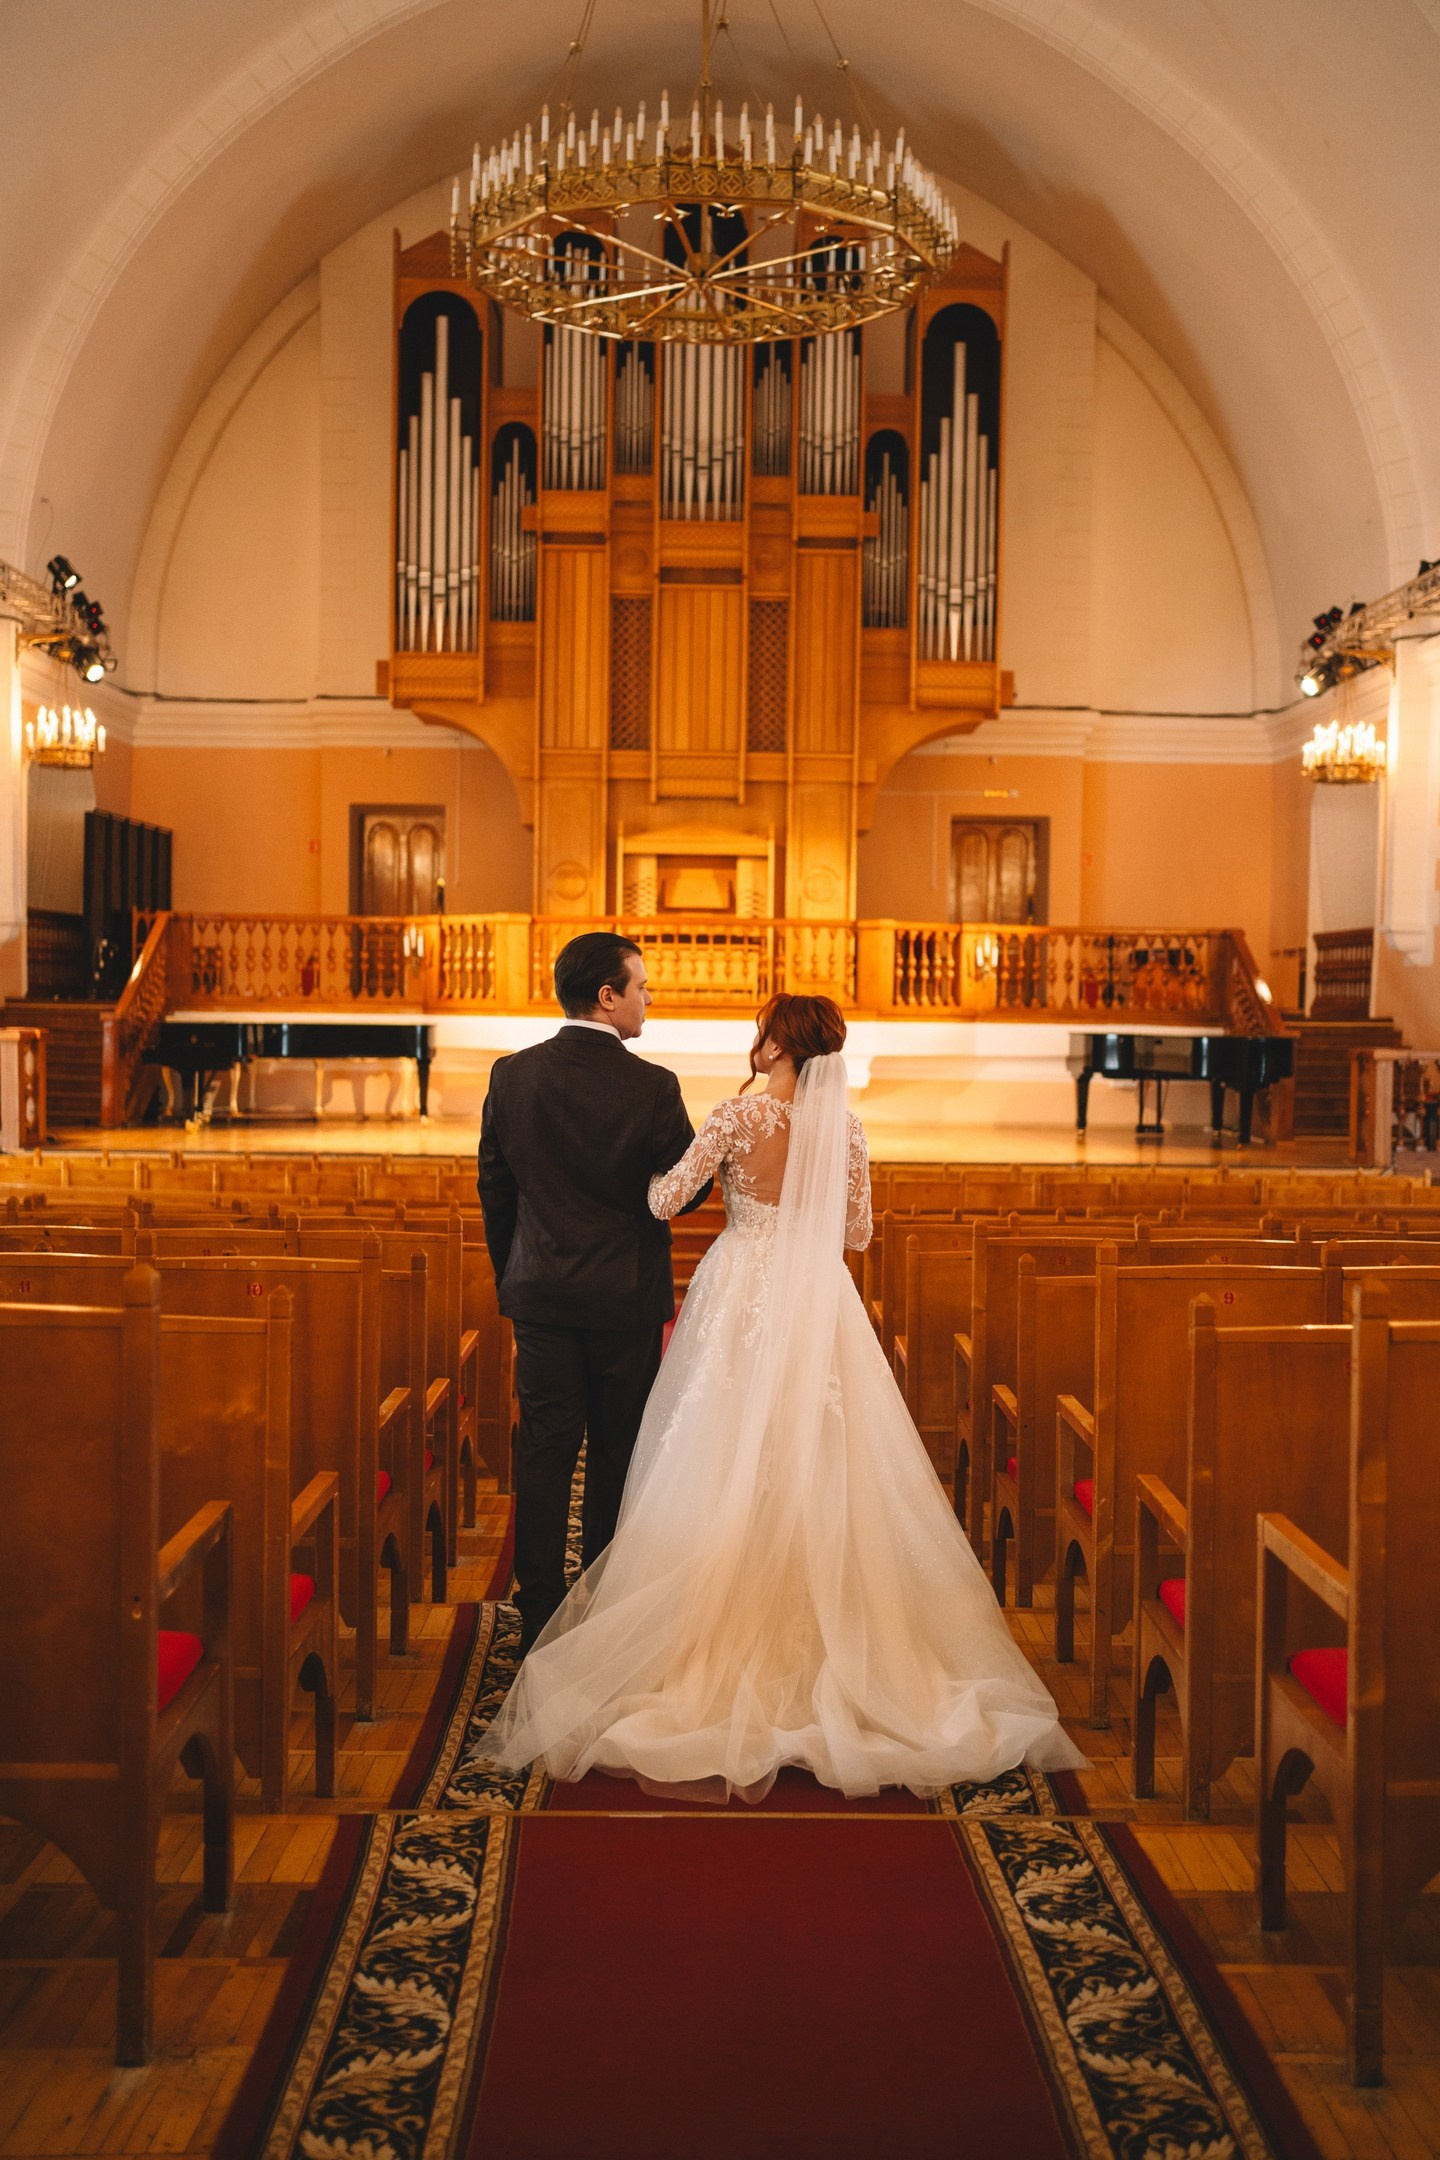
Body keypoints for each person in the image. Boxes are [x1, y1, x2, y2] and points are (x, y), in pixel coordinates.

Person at [475, 992, 1082, 1801]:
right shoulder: (850, 1131)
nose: (753, 1042)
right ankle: (842, 1637)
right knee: (827, 1454)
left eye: (761, 1032)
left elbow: (662, 1200)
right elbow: (857, 1233)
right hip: (817, 1299)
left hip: (740, 1295)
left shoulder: (734, 1119)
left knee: (718, 1451)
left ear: (775, 1048)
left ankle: (700, 1628)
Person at [477, 931, 712, 1652]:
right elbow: (687, 1191)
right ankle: (602, 1603)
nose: (649, 999)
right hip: (624, 1297)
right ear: (607, 996)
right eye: (641, 987)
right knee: (618, 1451)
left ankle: (539, 1608)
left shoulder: (512, 1076)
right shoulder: (652, 1086)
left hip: (540, 1293)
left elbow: (496, 1187)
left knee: (545, 1451)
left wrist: (514, 1275)